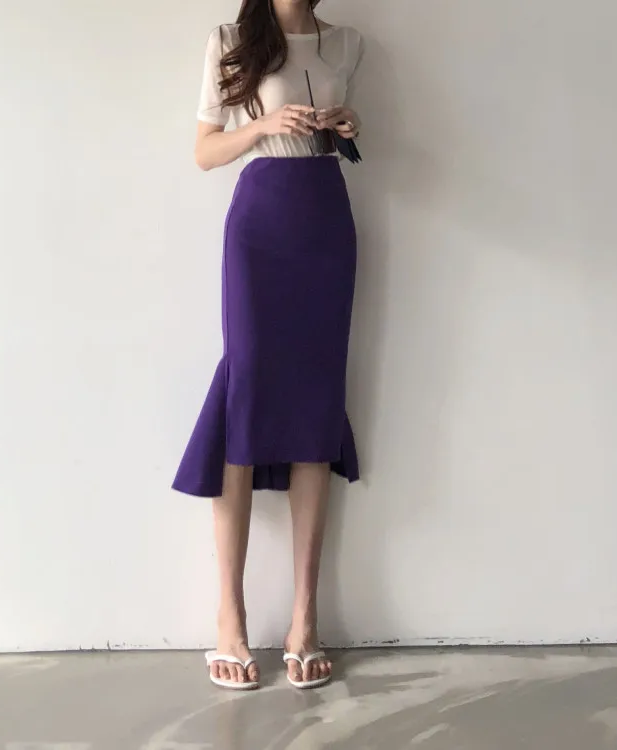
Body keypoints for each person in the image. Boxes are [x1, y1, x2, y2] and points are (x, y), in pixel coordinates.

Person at [172, 0, 364, 690]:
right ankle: (230, 619)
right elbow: (204, 152)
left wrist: (345, 125)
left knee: (317, 398)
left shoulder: (348, 43)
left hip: (326, 218)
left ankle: (305, 619)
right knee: (246, 391)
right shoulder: (231, 40)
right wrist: (262, 125)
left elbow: (341, 135)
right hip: (261, 222)